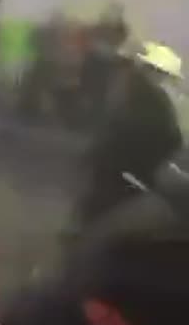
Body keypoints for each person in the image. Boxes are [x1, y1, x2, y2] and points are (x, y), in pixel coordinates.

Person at [75, 42, 184, 229]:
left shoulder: (131, 90)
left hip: (122, 168)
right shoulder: (153, 100)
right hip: (136, 171)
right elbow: (171, 139)